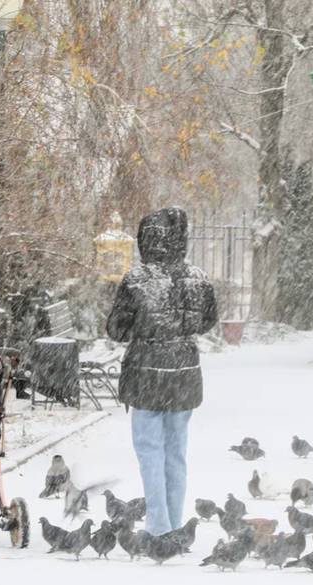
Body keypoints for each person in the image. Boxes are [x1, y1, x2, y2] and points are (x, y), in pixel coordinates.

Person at [105, 207, 217, 536]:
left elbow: (117, 329)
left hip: (146, 373)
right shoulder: (198, 278)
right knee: (176, 452)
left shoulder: (136, 280)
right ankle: (176, 524)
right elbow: (208, 320)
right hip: (184, 372)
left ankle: (157, 524)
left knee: (150, 452)